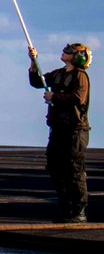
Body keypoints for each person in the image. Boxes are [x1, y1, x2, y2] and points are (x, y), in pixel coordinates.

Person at [28, 43, 92, 223]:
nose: (65, 53)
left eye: (70, 52)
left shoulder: (80, 76)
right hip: (58, 128)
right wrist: (33, 62)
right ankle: (66, 209)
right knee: (56, 168)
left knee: (74, 170)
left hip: (74, 130)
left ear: (78, 57)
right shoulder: (58, 73)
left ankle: (78, 211)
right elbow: (37, 81)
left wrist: (54, 97)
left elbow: (78, 98)